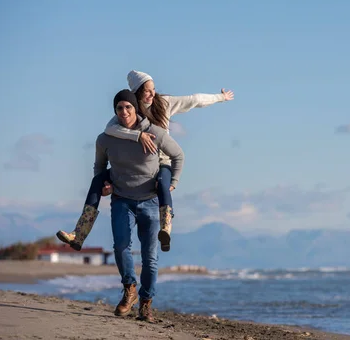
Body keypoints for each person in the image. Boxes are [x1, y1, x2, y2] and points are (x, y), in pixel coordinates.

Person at [56, 69, 234, 252]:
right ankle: (79, 235)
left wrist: (220, 98)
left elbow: (194, 100)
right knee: (96, 180)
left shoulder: (164, 104)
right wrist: (138, 136)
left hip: (160, 163)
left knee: (163, 184)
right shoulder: (128, 109)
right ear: (137, 92)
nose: (152, 94)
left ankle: (166, 230)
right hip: (133, 165)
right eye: (147, 90)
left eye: (153, 89)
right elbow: (109, 129)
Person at [96, 89, 185, 322]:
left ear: (136, 108)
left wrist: (172, 184)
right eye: (119, 108)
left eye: (128, 107)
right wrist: (104, 185)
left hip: (150, 201)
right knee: (121, 247)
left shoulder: (155, 133)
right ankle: (130, 290)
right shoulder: (105, 139)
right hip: (122, 200)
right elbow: (99, 168)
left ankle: (146, 304)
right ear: (114, 111)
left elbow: (178, 156)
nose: (124, 112)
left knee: (150, 258)